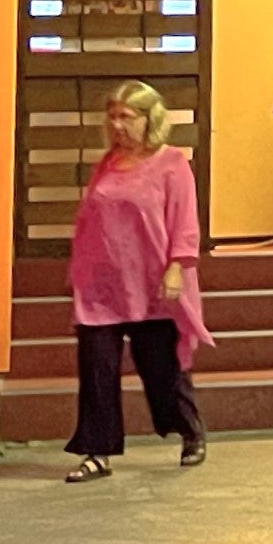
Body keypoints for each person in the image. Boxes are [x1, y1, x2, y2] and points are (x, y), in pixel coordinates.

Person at [64, 81, 208, 480]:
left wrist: (177, 267)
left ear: (149, 119)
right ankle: (97, 450)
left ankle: (189, 431)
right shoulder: (106, 164)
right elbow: (88, 221)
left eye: (126, 117)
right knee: (96, 367)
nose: (117, 125)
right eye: (112, 116)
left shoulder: (172, 163)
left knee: (161, 367)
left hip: (153, 283)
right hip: (102, 286)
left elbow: (185, 223)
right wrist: (78, 272)